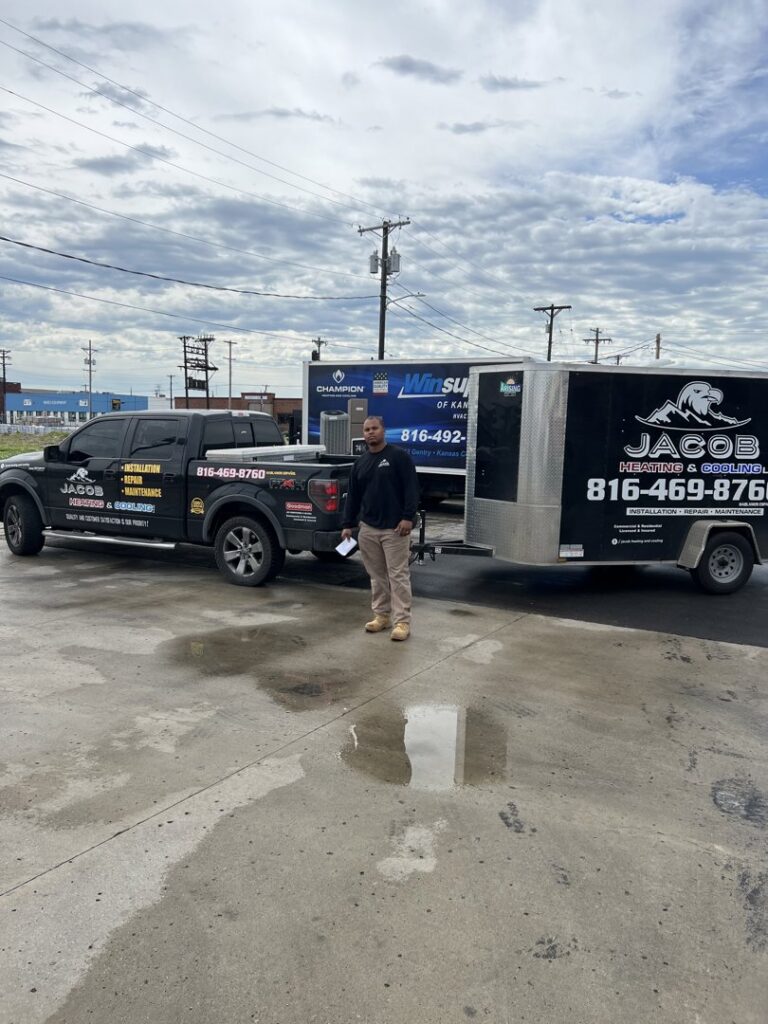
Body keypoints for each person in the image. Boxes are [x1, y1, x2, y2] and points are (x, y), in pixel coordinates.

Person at [341, 415, 420, 641]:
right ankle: (382, 616)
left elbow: (412, 489)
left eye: (374, 428)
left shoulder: (398, 457)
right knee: (376, 576)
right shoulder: (360, 463)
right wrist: (347, 524)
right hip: (368, 529)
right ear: (363, 434)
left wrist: (408, 517)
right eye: (367, 430)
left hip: (395, 529)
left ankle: (402, 622)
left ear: (383, 430)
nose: (371, 433)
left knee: (398, 576)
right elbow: (353, 497)